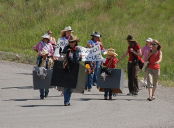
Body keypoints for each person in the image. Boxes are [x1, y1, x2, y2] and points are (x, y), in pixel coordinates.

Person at [33, 34, 54, 99]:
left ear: (48, 39)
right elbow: (38, 50)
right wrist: (42, 54)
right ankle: (41, 94)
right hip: (41, 57)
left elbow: (52, 52)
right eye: (44, 38)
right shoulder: (40, 43)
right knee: (41, 78)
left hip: (48, 58)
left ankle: (46, 91)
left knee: (47, 78)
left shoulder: (50, 45)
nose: (45, 39)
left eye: (46, 38)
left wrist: (48, 54)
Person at [62, 36, 81, 106]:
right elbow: (62, 57)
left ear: (75, 42)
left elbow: (78, 60)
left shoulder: (78, 49)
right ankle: (66, 101)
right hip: (66, 69)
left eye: (73, 42)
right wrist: (67, 55)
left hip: (74, 69)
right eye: (70, 42)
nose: (71, 43)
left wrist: (80, 58)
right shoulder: (66, 48)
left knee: (71, 87)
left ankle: (68, 100)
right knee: (66, 86)